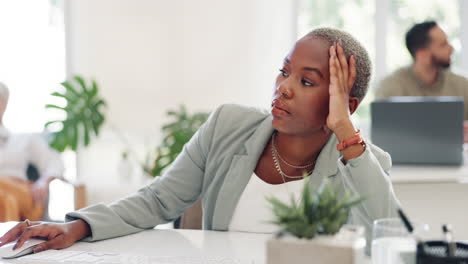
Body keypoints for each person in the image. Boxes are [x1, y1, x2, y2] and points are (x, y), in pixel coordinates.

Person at [0, 28, 399, 254]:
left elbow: (387, 238)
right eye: (284, 72)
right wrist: (78, 227)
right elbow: (159, 200)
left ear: (345, 103)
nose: (284, 89)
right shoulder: (229, 125)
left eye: (307, 81)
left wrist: (345, 132)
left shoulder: (366, 162)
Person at [374, 21, 468, 141]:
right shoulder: (390, 86)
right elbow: (383, 135)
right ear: (422, 54)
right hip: (403, 159)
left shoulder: (463, 85)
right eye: (443, 44)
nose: (451, 48)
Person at [0, 82, 64, 222]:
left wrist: (43, 181)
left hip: (23, 195)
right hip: (7, 201)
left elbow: (54, 161)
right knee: (5, 199)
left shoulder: (24, 139)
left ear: (3, 104)